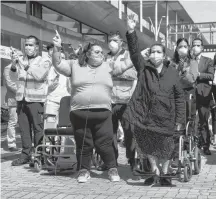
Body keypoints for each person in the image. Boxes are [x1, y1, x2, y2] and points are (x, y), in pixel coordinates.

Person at [52, 30, 133, 183]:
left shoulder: (109, 66)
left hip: (103, 113)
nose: (101, 54)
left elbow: (126, 64)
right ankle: (83, 171)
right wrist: (57, 47)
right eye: (97, 52)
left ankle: (112, 169)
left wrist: (138, 51)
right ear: (88, 54)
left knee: (105, 143)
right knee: (84, 143)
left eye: (102, 52)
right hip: (79, 113)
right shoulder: (75, 65)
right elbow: (57, 64)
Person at [123, 14, 185, 186]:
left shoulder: (172, 72)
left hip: (167, 116)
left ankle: (164, 173)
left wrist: (180, 120)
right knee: (146, 144)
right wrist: (131, 30)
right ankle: (154, 170)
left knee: (166, 147)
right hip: (146, 116)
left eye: (158, 52)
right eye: (152, 52)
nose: (155, 55)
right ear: (149, 55)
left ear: (164, 56)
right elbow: (134, 52)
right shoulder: (144, 68)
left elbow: (180, 98)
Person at [97, 31, 137, 171]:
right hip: (108, 101)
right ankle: (110, 161)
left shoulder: (129, 56)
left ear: (121, 43)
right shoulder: (105, 57)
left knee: (129, 132)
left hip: (126, 102)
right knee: (109, 134)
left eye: (114, 40)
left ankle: (132, 160)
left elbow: (134, 74)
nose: (111, 43)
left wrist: (116, 71)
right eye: (110, 40)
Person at [11, 35, 52, 166]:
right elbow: (12, 76)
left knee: (37, 128)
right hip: (21, 99)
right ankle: (26, 154)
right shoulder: (20, 60)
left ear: (37, 47)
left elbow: (40, 75)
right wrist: (13, 63)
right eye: (26, 45)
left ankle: (39, 155)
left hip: (35, 100)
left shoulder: (44, 60)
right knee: (23, 129)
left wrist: (25, 65)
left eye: (30, 45)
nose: (28, 47)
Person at [191, 38, 214, 155]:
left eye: (198, 45)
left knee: (204, 121)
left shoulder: (208, 61)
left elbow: (211, 76)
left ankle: (205, 145)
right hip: (190, 94)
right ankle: (191, 144)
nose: (195, 47)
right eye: (194, 45)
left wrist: (198, 74)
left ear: (202, 48)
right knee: (190, 120)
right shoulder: (188, 61)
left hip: (204, 94)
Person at [3, 49, 23, 151]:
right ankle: (11, 143)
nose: (19, 58)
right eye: (17, 56)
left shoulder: (23, 68)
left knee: (25, 121)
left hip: (25, 98)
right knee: (13, 121)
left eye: (20, 56)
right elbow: (9, 84)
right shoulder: (8, 68)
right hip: (14, 99)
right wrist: (22, 91)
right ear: (12, 57)